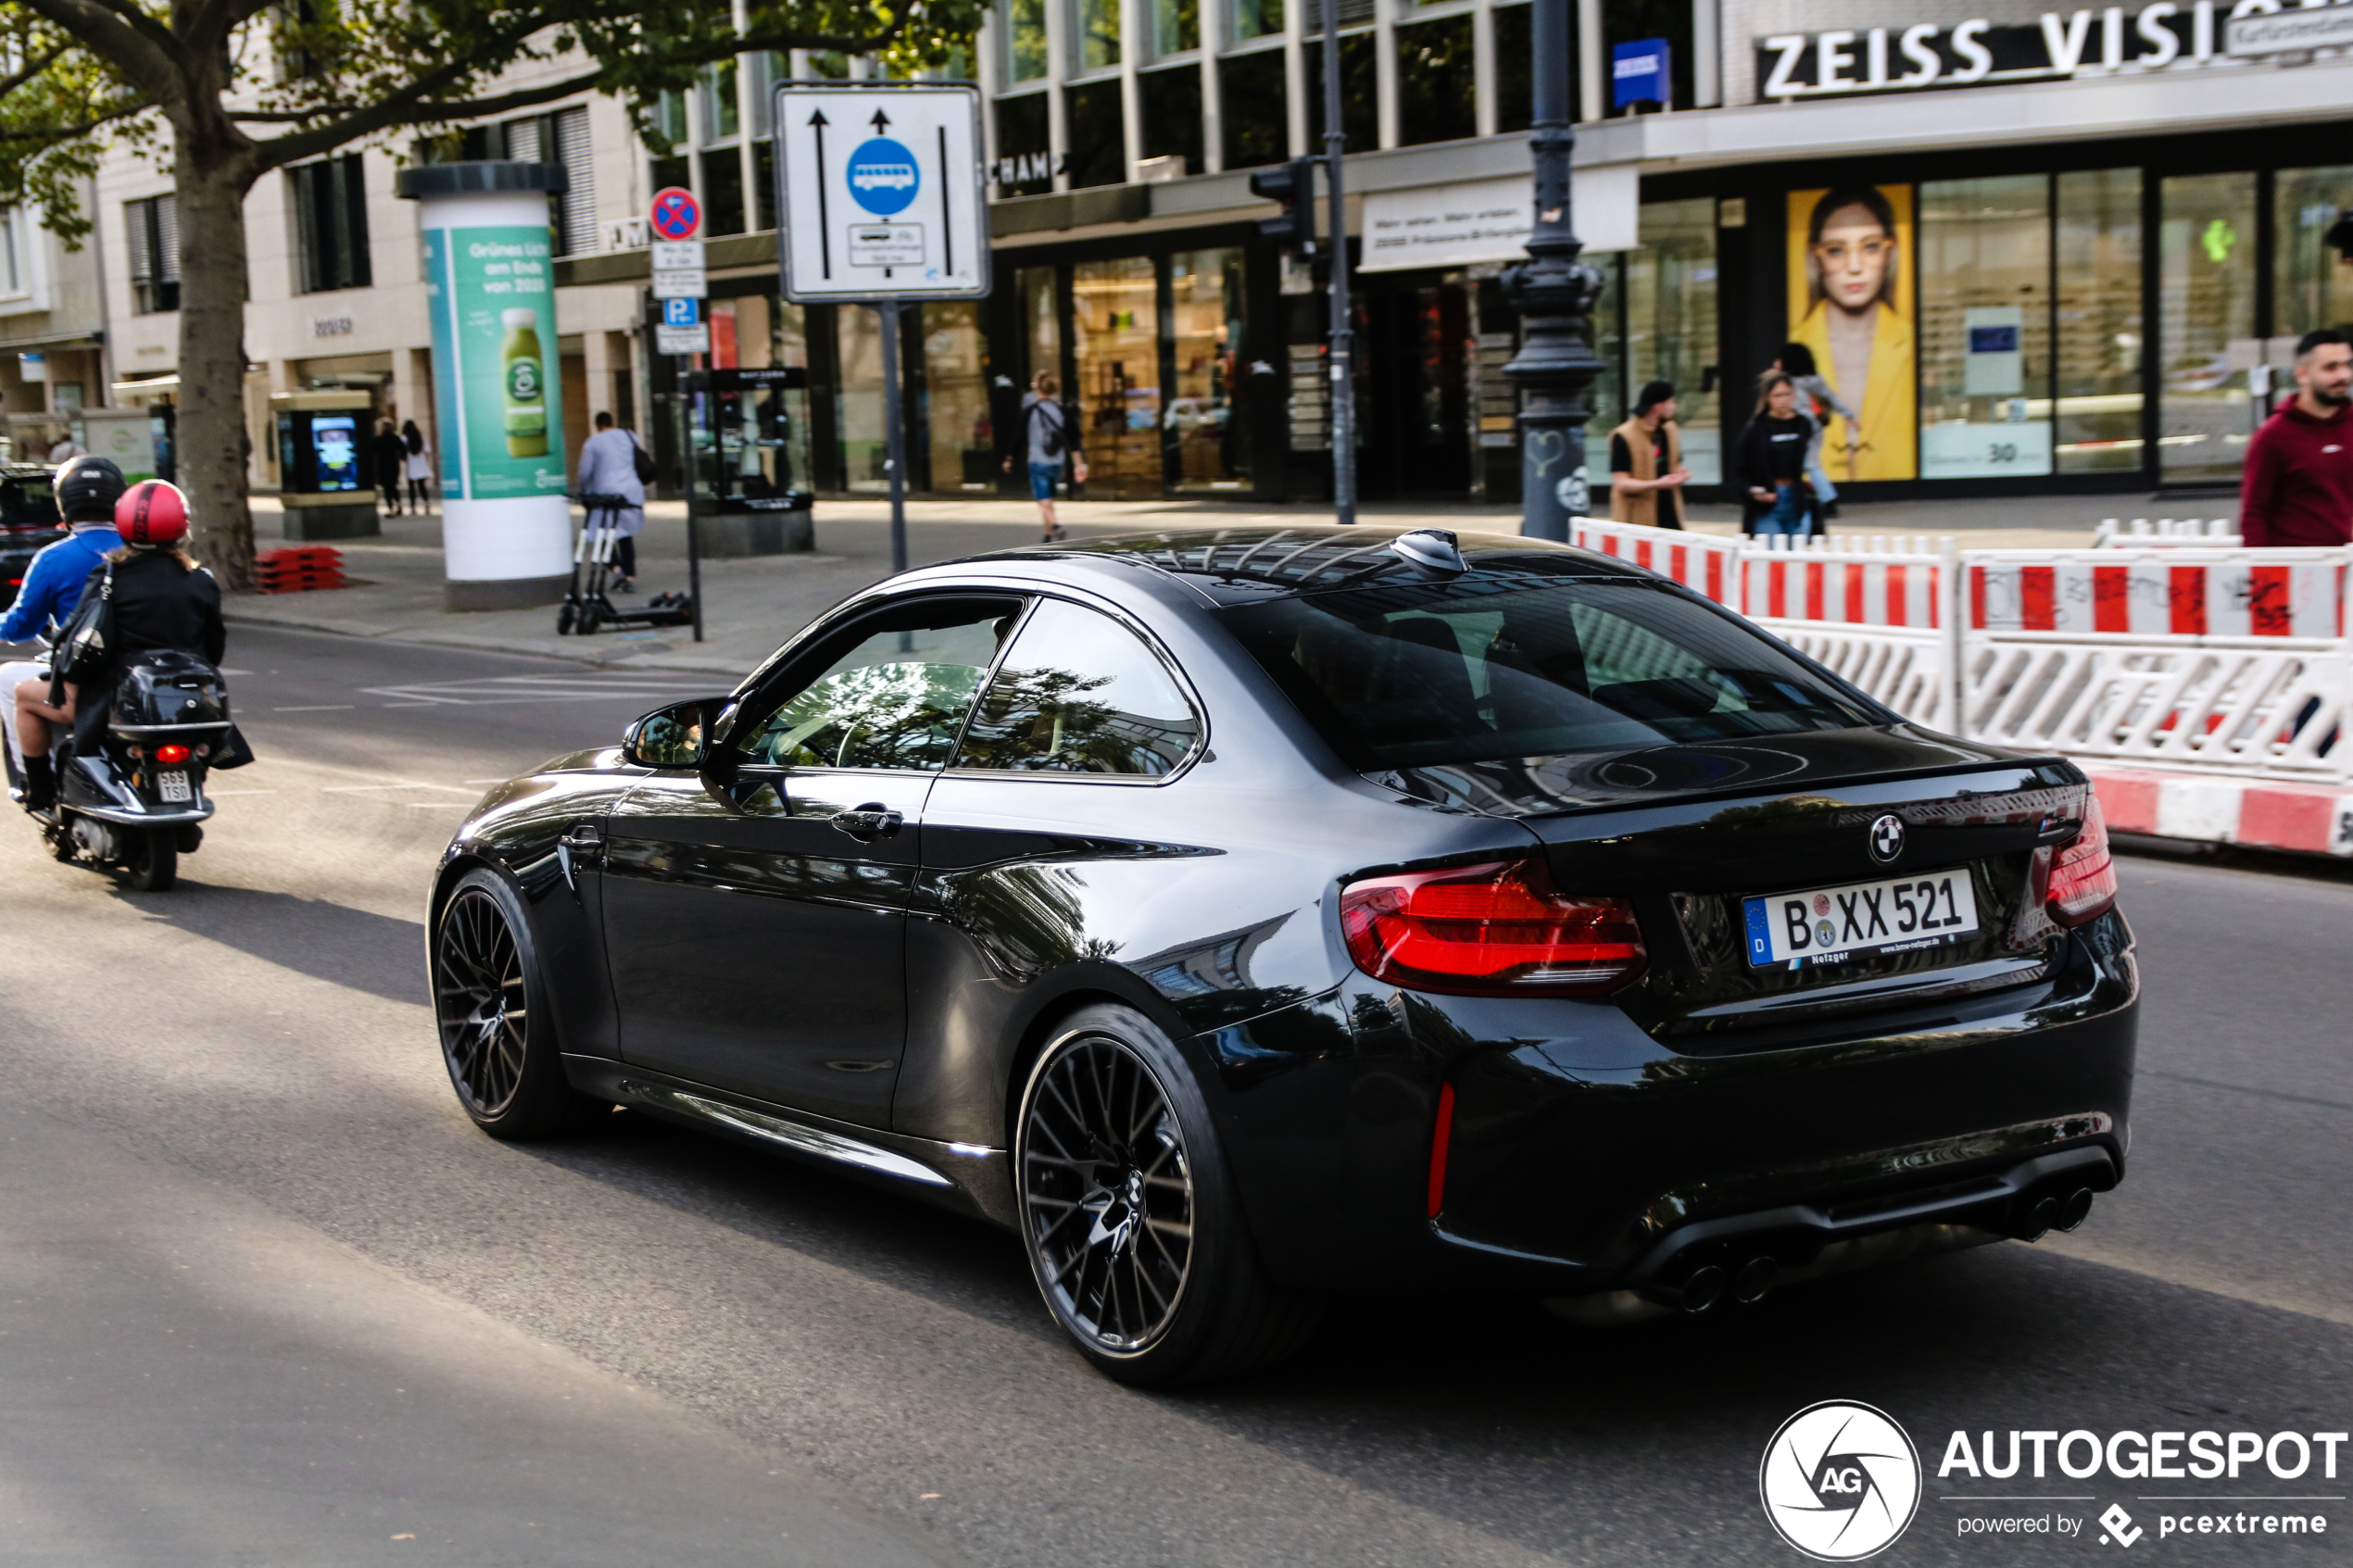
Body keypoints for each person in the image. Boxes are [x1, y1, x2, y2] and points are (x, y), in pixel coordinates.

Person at [17, 480, 223, 812]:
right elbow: (215, 650)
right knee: (205, 732)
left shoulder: (109, 576)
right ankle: (192, 786)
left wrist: (62, 671)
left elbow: (77, 634)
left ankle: (40, 792)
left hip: (110, 703)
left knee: (24, 696)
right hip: (187, 702)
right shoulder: (202, 580)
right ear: (181, 527)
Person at [2, 457, 128, 805]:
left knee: (9, 679)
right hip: (144, 685)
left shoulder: (54, 558)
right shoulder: (148, 554)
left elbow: (19, 626)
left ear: (64, 503)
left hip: (90, 688)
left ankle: (37, 782)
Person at [1789, 186, 1915, 483]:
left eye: (1870, 247)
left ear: (1890, 252)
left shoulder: (1912, 343)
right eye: (1836, 250)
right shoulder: (1793, 346)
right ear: (1816, 259)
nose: (1854, 268)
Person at [2241, 329, 2353, 547]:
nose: (2343, 375)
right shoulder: (2273, 435)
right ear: (2302, 374)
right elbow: (2254, 512)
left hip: (2346, 566)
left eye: (2347, 365)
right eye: (2330, 367)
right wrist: (2262, 572)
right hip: (2296, 568)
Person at [1773, 341, 1859, 516]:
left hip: (1798, 426)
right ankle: (1814, 497)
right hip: (1814, 426)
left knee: (1810, 465)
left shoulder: (1786, 381)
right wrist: (1849, 414)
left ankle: (1828, 500)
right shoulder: (1814, 379)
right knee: (1807, 463)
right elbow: (1832, 397)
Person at [1002, 370, 1085, 543]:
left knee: (1043, 499)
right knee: (1048, 499)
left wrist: (1010, 458)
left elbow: (1019, 436)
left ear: (1036, 387)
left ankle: (1055, 526)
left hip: (1037, 460)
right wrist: (1079, 464)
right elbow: (1073, 439)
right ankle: (1047, 536)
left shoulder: (1029, 410)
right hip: (1056, 461)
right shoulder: (1061, 410)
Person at [575, 410, 648, 589]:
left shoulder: (593, 443)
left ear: (597, 425)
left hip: (604, 493)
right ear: (612, 422)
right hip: (630, 490)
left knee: (600, 534)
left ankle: (616, 569)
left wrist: (583, 489)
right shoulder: (629, 436)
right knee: (624, 535)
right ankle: (629, 577)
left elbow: (585, 472)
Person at [1739, 372, 1816, 539]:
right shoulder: (1756, 428)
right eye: (1777, 395)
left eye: (1787, 394)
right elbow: (1741, 468)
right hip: (1769, 500)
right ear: (1767, 398)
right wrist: (1753, 491)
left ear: (1794, 394)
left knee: (1797, 557)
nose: (1783, 400)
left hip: (1796, 496)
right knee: (1771, 557)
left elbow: (1811, 458)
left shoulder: (1802, 423)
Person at [1607, 380, 1691, 529]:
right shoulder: (1624, 436)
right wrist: (1657, 484)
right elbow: (1621, 483)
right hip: (1636, 521)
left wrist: (1681, 474)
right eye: (1671, 402)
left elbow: (1675, 464)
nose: (1674, 406)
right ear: (1658, 406)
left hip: (1670, 514)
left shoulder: (1670, 430)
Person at [373, 418, 409, 517]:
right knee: (393, 486)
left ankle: (391, 508)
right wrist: (401, 458)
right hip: (393, 464)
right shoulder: (395, 438)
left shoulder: (379, 439)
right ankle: (399, 504)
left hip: (383, 465)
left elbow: (373, 451)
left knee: (387, 487)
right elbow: (403, 450)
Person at [401, 420, 433, 514]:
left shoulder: (404, 438)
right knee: (422, 487)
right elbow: (427, 451)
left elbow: (402, 453)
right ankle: (427, 505)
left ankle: (413, 508)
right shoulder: (420, 437)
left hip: (410, 466)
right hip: (421, 465)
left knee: (411, 488)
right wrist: (425, 462)